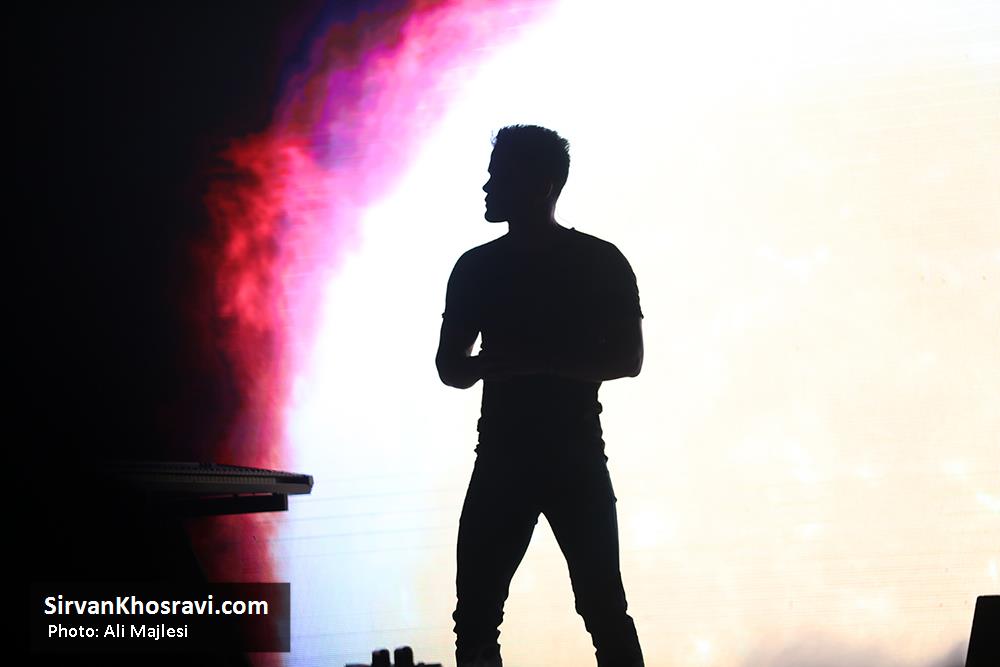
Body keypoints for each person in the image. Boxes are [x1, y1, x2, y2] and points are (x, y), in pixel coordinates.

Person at [435, 125, 645, 667]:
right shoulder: (484, 267)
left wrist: (519, 363)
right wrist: (491, 366)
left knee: (594, 609)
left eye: (499, 176)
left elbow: (629, 360)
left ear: (540, 184)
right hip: (534, 459)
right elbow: (450, 368)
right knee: (592, 611)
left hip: (551, 460)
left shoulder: (595, 261)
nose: (487, 186)